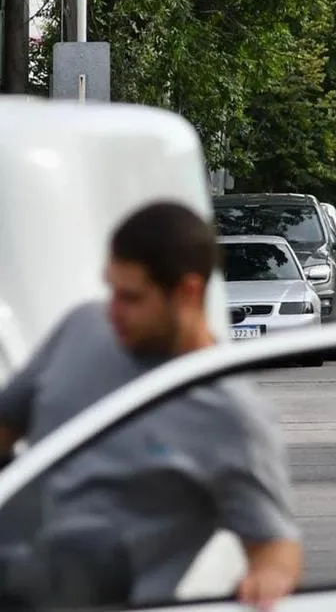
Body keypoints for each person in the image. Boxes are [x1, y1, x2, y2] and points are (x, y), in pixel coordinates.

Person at [0, 202, 302, 609]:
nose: (113, 311)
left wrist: (267, 580)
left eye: (131, 297)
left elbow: (274, 546)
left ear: (188, 292)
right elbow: (5, 426)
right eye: (111, 290)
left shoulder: (232, 416)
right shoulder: (84, 326)